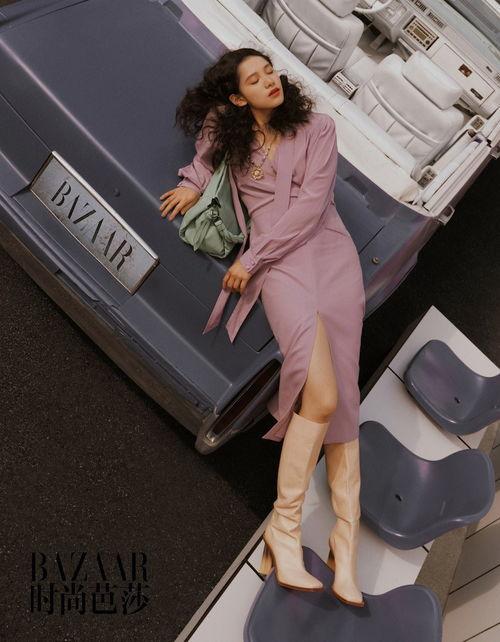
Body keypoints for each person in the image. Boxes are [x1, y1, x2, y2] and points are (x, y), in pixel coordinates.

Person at [159, 47, 366, 607]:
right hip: (279, 269)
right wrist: (193, 183)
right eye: (254, 79)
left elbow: (311, 205)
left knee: (341, 397)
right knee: (323, 396)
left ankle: (342, 547)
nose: (270, 80)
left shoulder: (318, 128)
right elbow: (206, 162)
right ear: (236, 95)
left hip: (327, 255)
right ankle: (287, 530)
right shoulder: (226, 130)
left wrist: (250, 259)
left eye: (269, 70)